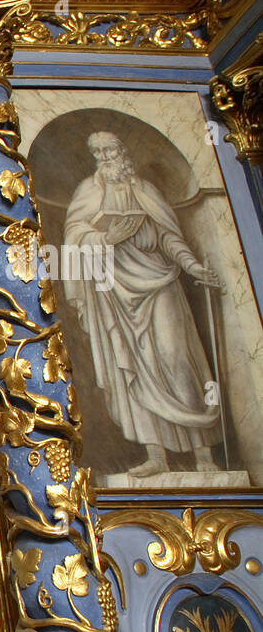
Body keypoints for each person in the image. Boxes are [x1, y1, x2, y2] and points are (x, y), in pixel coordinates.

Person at [62, 130, 223, 477]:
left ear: (122, 151)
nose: (105, 156)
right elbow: (73, 237)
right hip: (115, 291)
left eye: (110, 149)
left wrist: (193, 267)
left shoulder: (146, 191)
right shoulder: (89, 192)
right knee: (131, 366)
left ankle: (204, 454)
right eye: (98, 151)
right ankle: (156, 455)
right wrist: (106, 237)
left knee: (175, 357)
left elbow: (168, 236)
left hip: (160, 282)